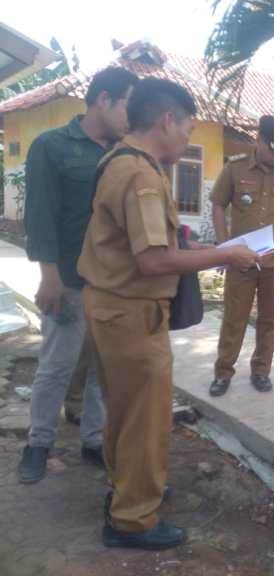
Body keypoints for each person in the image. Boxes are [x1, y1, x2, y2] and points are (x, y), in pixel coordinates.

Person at [78, 77, 260, 550]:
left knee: (126, 412)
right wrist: (226, 254)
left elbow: (152, 242)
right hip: (132, 312)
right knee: (144, 417)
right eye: (187, 129)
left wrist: (197, 247)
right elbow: (152, 262)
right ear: (166, 120)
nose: (188, 139)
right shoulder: (138, 174)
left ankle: (130, 491)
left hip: (114, 308)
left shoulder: (127, 161)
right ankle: (133, 519)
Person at [17, 67, 139, 484]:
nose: (132, 116)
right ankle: (38, 442)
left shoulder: (125, 153)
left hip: (112, 284)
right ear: (104, 100)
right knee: (56, 366)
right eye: (128, 105)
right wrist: (48, 276)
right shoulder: (52, 147)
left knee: (101, 368)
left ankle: (93, 440)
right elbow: (40, 215)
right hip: (67, 279)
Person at [208, 115, 274, 397]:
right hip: (241, 261)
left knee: (270, 320)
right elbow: (218, 204)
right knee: (234, 317)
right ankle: (223, 372)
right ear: (259, 141)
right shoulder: (235, 168)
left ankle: (261, 370)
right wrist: (223, 247)